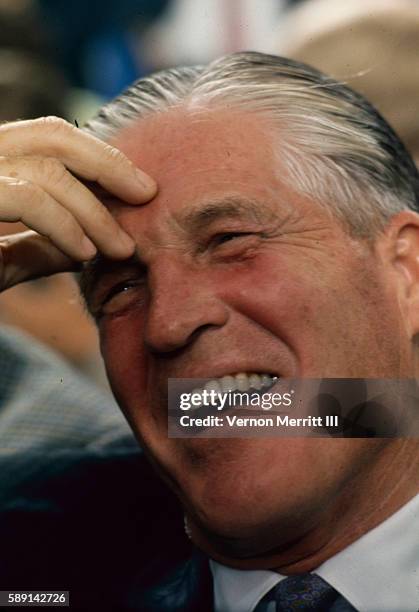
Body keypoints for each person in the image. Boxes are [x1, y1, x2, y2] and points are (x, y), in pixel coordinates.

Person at [0, 52, 418, 611]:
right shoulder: (32, 553)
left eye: (228, 241)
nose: (169, 322)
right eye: (121, 287)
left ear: (406, 272)